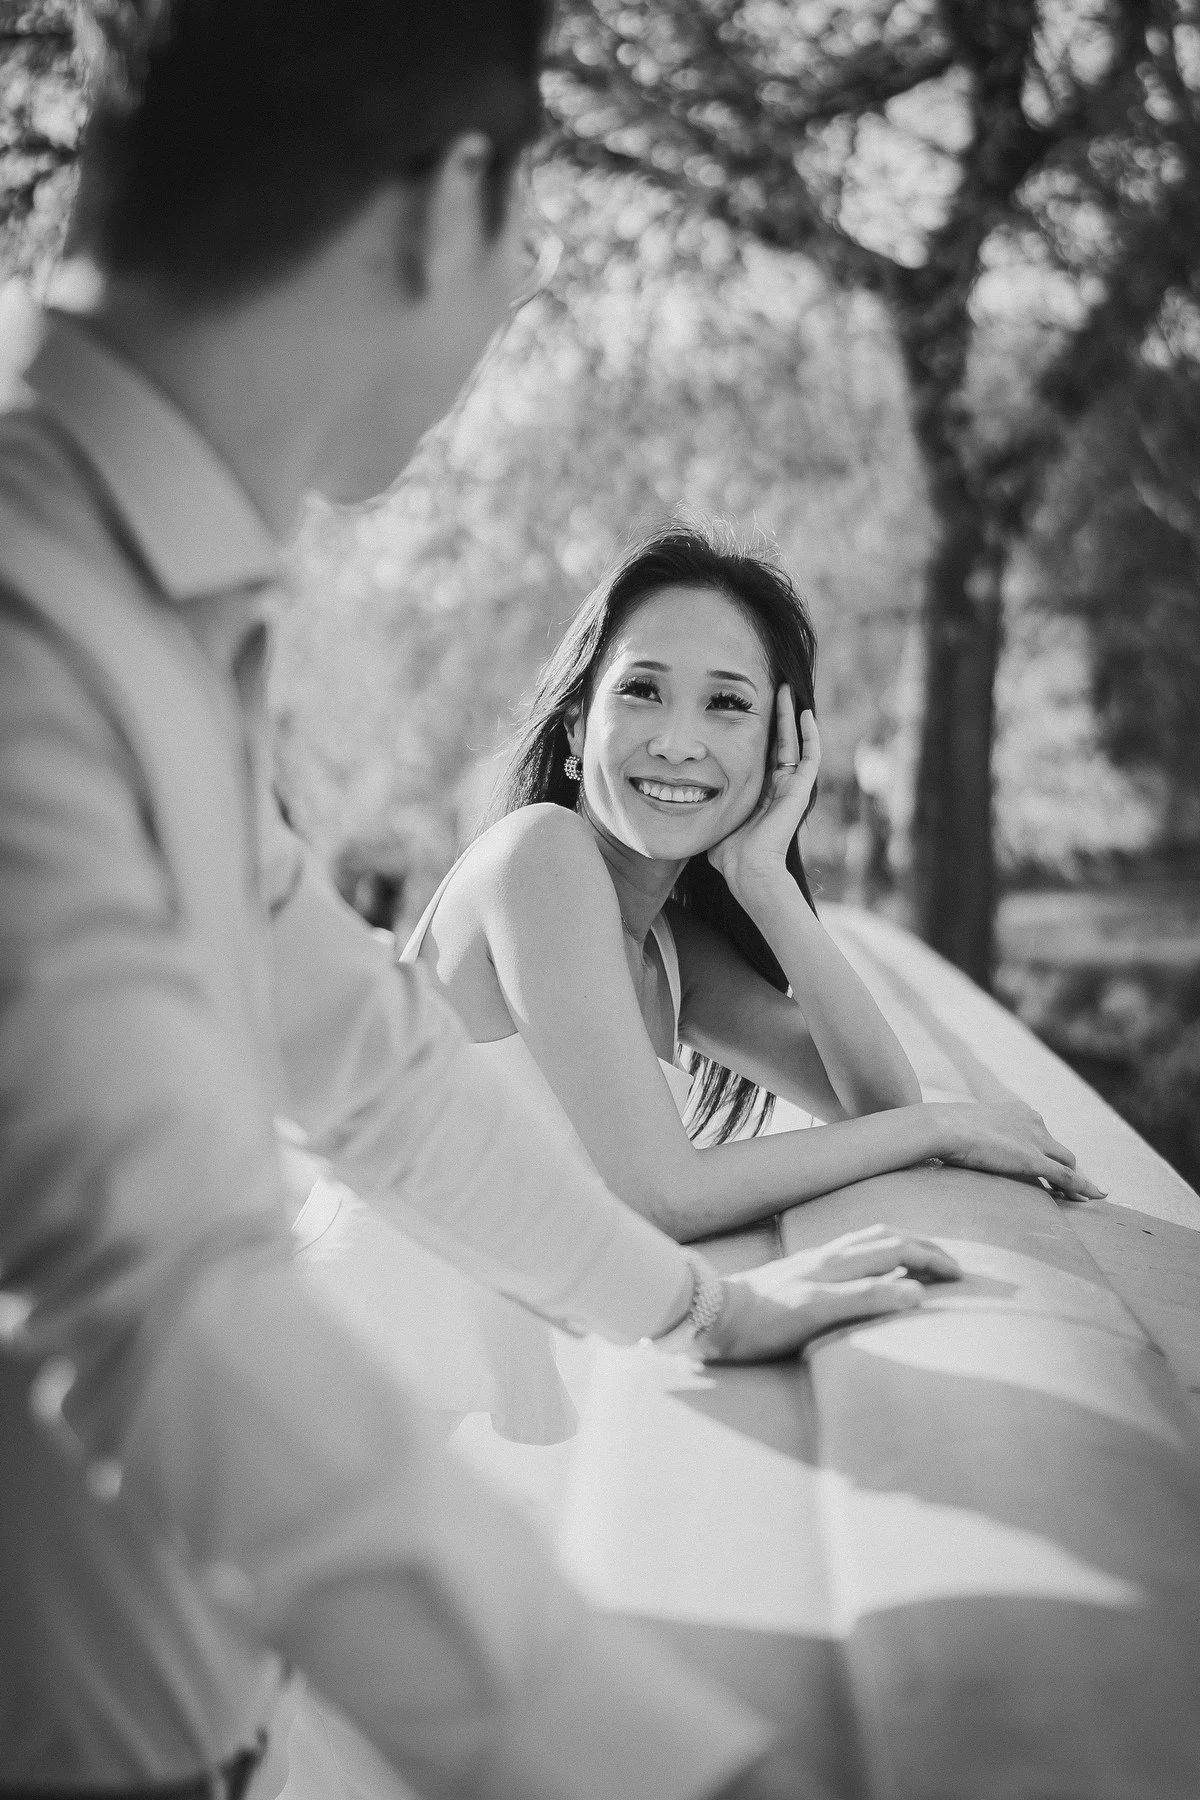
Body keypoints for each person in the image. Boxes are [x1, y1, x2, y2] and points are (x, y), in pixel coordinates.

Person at [0, 5, 944, 1798]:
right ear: (440, 203)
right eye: (526, 247)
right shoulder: (39, 625)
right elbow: (146, 1313)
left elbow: (374, 1069)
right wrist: (664, 1770)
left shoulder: (150, 605)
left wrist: (695, 1312)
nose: (517, 303)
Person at [404, 523, 1106, 1248]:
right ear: (578, 728)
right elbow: (665, 1197)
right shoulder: (537, 855)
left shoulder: (674, 956)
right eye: (643, 691)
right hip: (378, 1337)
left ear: (779, 745)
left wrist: (763, 878)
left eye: (727, 704)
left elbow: (873, 1103)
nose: (678, 742)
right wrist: (946, 1125)